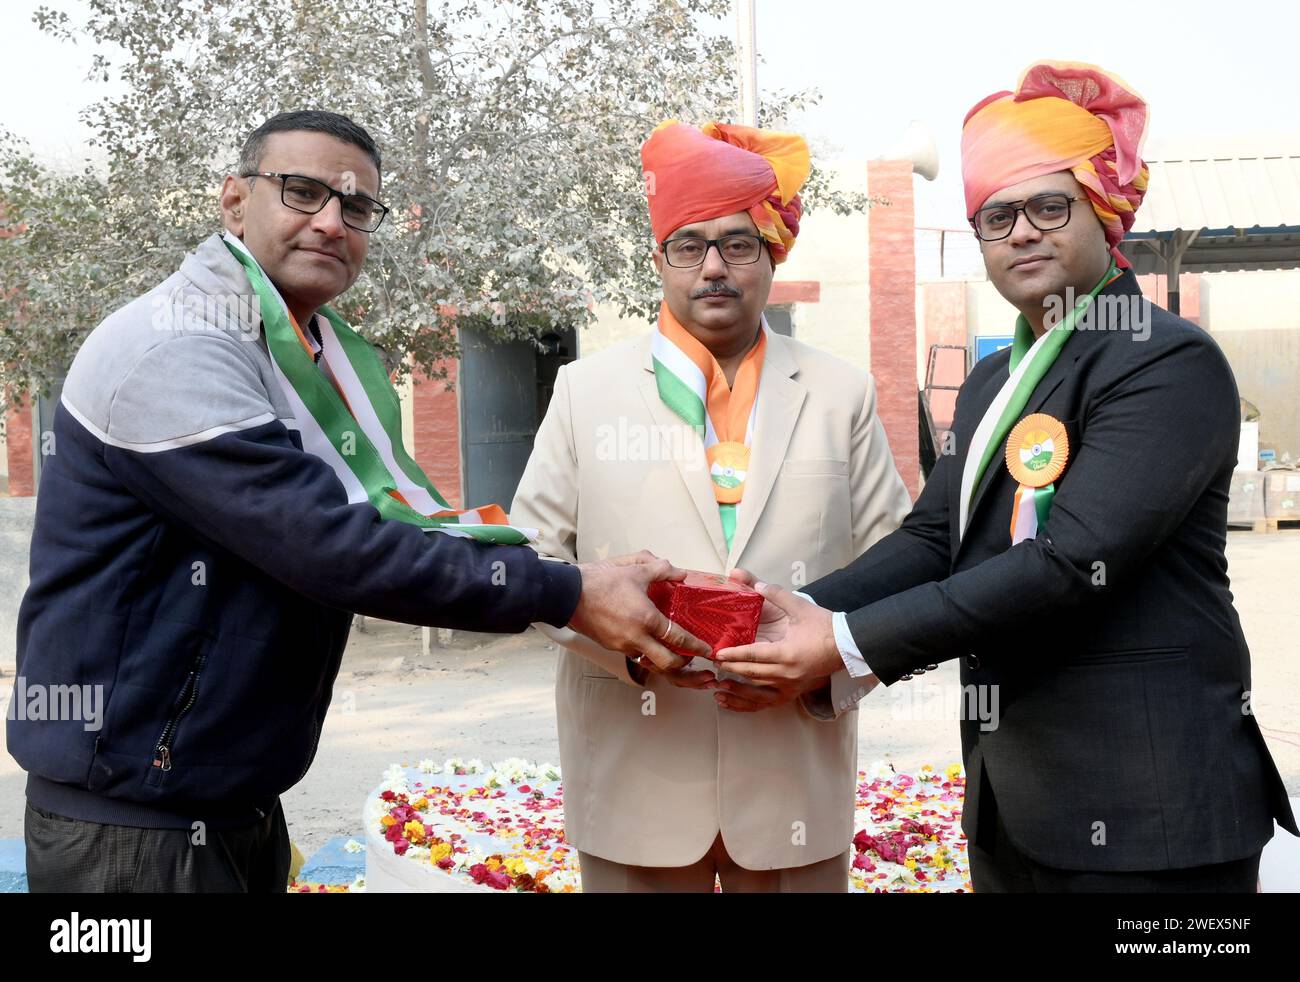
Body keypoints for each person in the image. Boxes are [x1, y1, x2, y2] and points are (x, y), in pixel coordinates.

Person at [10, 110, 706, 893]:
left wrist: (565, 578)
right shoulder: (180, 348)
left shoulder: (312, 351)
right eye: (301, 192)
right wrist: (569, 590)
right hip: (131, 823)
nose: (331, 223)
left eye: (356, 207)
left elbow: (378, 525)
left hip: (224, 797)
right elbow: (331, 545)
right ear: (234, 201)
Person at [714, 62, 1298, 892]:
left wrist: (843, 647)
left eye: (1048, 206)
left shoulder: (1164, 359)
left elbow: (1068, 564)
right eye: (996, 216)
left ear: (1104, 210)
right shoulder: (995, 380)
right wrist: (808, 609)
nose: (1021, 232)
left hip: (1148, 821)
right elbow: (933, 537)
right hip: (1015, 806)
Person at [509, 120, 911, 892]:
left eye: (739, 244)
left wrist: (825, 666)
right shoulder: (585, 391)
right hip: (636, 775)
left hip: (796, 768)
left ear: (772, 254)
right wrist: (628, 644)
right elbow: (527, 565)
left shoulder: (840, 392)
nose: (714, 268)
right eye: (688, 246)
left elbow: (896, 563)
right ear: (659, 259)